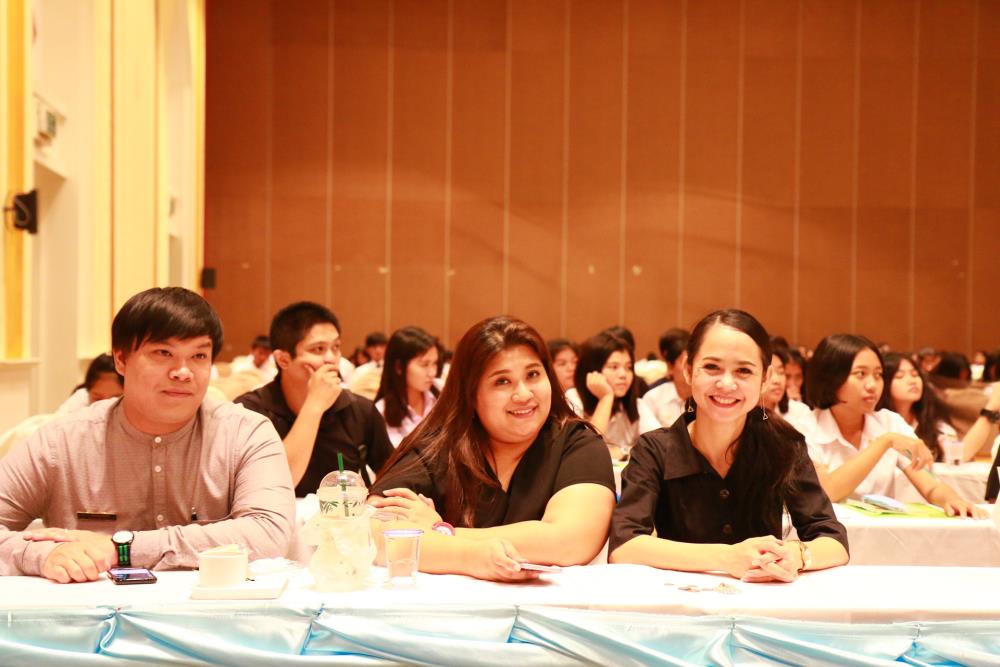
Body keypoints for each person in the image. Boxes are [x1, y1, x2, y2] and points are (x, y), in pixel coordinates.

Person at [0, 287, 295, 582]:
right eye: (163, 353)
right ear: (121, 359)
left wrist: (119, 549)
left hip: (214, 610)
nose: (183, 372)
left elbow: (268, 533)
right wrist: (43, 555)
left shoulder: (246, 434)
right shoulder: (60, 442)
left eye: (198, 355)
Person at [368, 316, 615, 582]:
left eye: (533, 375)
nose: (524, 394)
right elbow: (372, 531)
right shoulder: (438, 447)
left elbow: (571, 541)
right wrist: (470, 558)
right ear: (471, 393)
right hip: (447, 606)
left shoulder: (578, 444)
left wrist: (442, 532)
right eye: (502, 382)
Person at [609, 309, 848, 582]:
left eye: (744, 370)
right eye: (712, 367)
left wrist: (797, 554)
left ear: (765, 378)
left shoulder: (784, 446)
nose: (726, 383)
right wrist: (726, 557)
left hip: (763, 601)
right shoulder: (654, 449)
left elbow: (834, 541)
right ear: (688, 370)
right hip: (681, 599)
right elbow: (624, 546)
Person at [803, 334, 983, 516]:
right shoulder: (806, 428)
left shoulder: (890, 422)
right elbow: (828, 492)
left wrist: (952, 500)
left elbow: (931, 485)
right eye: (860, 374)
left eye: (878, 375)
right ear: (831, 378)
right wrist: (885, 442)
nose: (872, 385)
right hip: (829, 532)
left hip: (882, 530)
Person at [236, 302, 393, 496]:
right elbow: (272, 486)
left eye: (336, 347)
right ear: (283, 359)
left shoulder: (360, 410)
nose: (331, 358)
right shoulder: (249, 412)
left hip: (343, 515)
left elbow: (394, 477)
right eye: (318, 349)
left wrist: (376, 497)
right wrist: (314, 405)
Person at [878, 352, 1000, 462]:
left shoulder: (932, 423)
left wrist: (991, 408)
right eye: (900, 376)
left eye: (915, 375)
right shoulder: (876, 423)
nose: (912, 381)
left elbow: (960, 455)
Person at [568, 331, 661, 460]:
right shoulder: (572, 400)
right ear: (592, 370)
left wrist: (623, 452)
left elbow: (659, 446)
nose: (623, 374)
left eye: (628, 367)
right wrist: (606, 398)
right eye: (614, 367)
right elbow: (585, 449)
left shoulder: (636, 405)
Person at [375, 326, 440, 447]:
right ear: (399, 367)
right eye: (424, 364)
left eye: (434, 363)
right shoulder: (381, 412)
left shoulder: (440, 397)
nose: (432, 373)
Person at [642, 328, 691, 427]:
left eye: (692, 360)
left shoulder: (703, 397)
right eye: (684, 362)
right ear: (670, 367)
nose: (690, 366)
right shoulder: (653, 399)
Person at [761, 346, 814, 436]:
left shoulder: (800, 412)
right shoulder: (742, 416)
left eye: (781, 372)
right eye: (769, 373)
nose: (777, 380)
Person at [55, 353, 124, 414]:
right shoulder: (81, 398)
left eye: (115, 399)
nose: (105, 407)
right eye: (98, 399)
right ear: (88, 392)